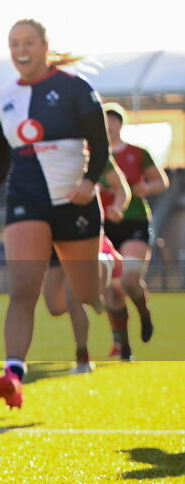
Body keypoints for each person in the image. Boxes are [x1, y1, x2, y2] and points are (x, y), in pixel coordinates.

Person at [0, 19, 110, 409]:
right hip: (26, 201)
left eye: (28, 41)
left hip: (74, 202)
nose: (20, 49)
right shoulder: (5, 98)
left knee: (88, 294)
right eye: (13, 43)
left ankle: (105, 262)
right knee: (22, 290)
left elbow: (100, 144)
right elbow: (2, 157)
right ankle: (13, 374)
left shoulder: (75, 87)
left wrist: (90, 182)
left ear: (45, 45)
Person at [42, 161, 129, 373]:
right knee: (55, 307)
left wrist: (117, 207)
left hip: (82, 227)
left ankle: (83, 359)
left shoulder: (93, 153)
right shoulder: (43, 151)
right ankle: (94, 292)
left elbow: (122, 188)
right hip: (55, 232)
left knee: (73, 299)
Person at [99, 102, 169, 360]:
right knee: (112, 289)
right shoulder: (91, 155)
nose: (109, 125)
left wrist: (147, 188)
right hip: (103, 227)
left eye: (113, 120)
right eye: (104, 120)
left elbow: (160, 181)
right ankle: (122, 346)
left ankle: (143, 312)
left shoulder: (137, 153)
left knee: (128, 280)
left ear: (120, 124)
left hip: (134, 222)